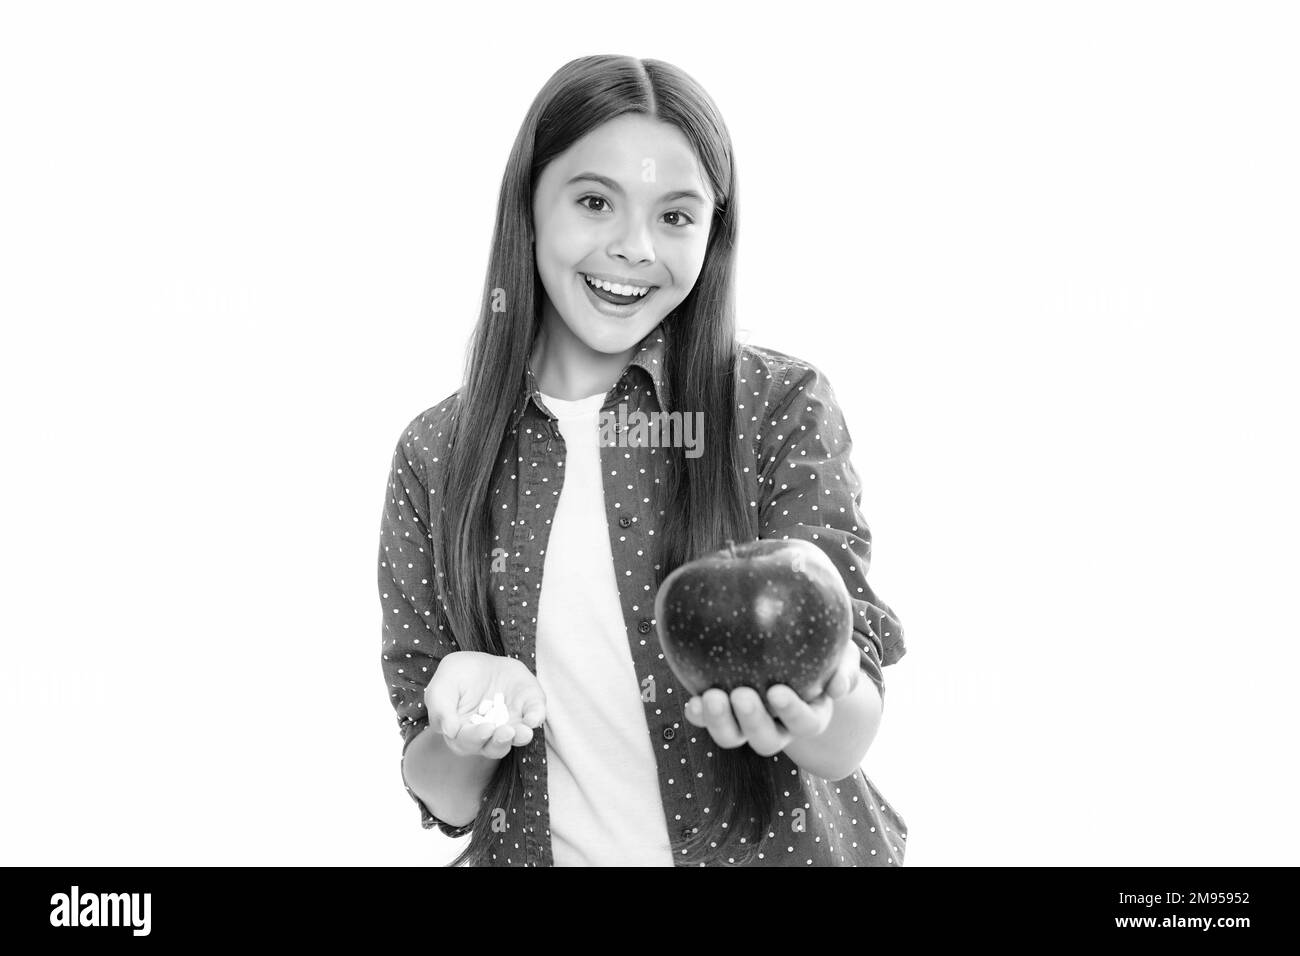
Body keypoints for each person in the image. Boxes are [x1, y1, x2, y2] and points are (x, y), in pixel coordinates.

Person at [378, 54, 907, 867]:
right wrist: (472, 724)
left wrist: (816, 703)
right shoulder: (437, 456)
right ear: (529, 207)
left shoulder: (776, 406)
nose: (632, 248)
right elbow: (444, 793)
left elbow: (846, 736)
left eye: (675, 216)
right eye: (594, 202)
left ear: (712, 233)